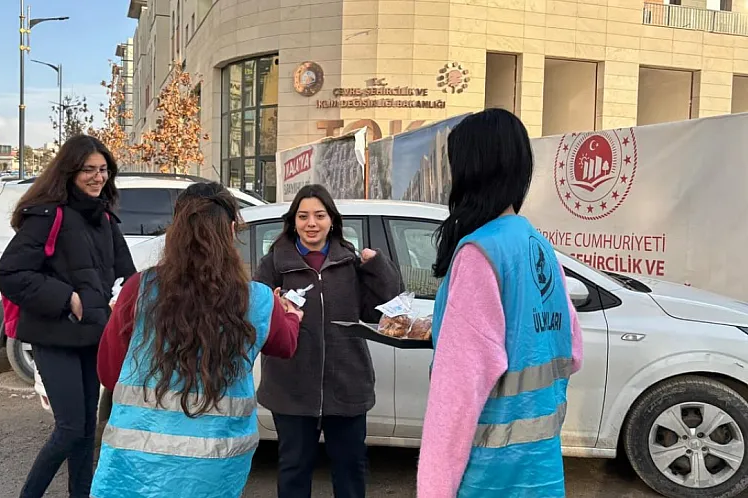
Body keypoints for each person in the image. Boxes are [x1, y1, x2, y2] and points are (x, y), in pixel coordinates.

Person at [90, 182, 303, 497]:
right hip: (216, 464)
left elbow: (110, 373)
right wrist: (291, 317)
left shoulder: (141, 289)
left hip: (136, 464)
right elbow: (284, 345)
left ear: (175, 231)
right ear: (231, 230)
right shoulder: (257, 299)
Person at [416, 109, 584, 498]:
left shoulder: (481, 254)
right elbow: (572, 353)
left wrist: (433, 490)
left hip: (490, 476)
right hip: (541, 469)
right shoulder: (539, 246)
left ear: (470, 169)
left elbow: (455, 399)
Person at [0, 134, 136, 498]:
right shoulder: (47, 215)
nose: (97, 177)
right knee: (71, 428)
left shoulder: (104, 217)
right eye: (88, 169)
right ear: (69, 171)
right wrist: (67, 297)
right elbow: (10, 273)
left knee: (88, 430)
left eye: (103, 169)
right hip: (55, 336)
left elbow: (127, 276)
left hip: (93, 336)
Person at [254, 184, 403, 498]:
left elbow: (384, 309)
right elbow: (256, 316)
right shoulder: (274, 265)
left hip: (347, 385)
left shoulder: (350, 262)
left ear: (331, 220)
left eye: (319, 216)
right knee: (294, 469)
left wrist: (377, 266)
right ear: (293, 221)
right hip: (291, 388)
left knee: (350, 468)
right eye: (303, 216)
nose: (311, 223)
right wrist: (274, 308)